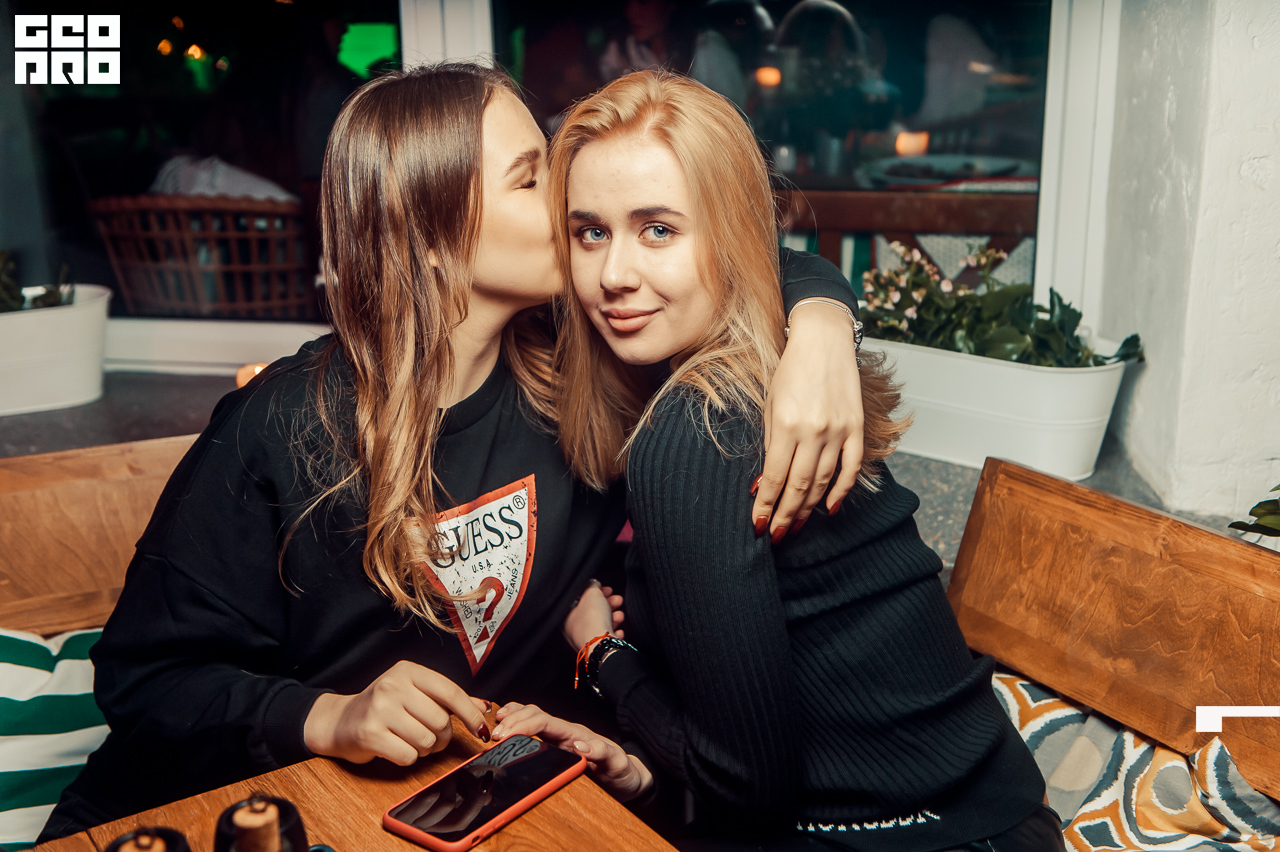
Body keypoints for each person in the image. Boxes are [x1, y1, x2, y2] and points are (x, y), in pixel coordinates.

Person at [38, 63, 865, 841]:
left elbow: (734, 255)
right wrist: (331, 716)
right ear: (431, 232)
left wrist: (823, 327)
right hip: (210, 813)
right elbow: (146, 682)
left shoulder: (590, 372)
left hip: (440, 808)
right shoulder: (282, 422)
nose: (568, 197)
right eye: (531, 178)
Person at [492, 71, 1064, 852]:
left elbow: (745, 788)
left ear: (732, 236)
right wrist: (826, 316)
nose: (614, 274)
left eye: (658, 230)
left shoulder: (698, 430)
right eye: (591, 233)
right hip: (988, 807)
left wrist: (603, 656)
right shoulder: (747, 366)